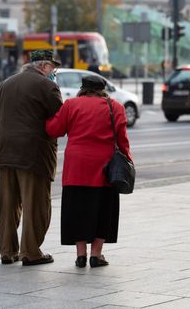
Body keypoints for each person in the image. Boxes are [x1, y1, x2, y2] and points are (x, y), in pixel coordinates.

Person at [46, 75, 133, 268]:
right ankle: (96, 254)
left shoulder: (71, 105)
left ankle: (80, 255)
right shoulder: (115, 107)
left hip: (76, 167)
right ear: (103, 89)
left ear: (83, 88)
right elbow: (122, 139)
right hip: (105, 168)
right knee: (103, 209)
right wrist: (128, 160)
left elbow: (54, 130)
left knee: (77, 209)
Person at [0, 50, 63, 266]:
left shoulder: (6, 84)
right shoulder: (47, 86)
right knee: (35, 204)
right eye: (53, 68)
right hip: (34, 155)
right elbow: (59, 121)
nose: (53, 72)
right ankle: (30, 252)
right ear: (44, 66)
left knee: (8, 205)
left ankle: (7, 251)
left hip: (5, 153)